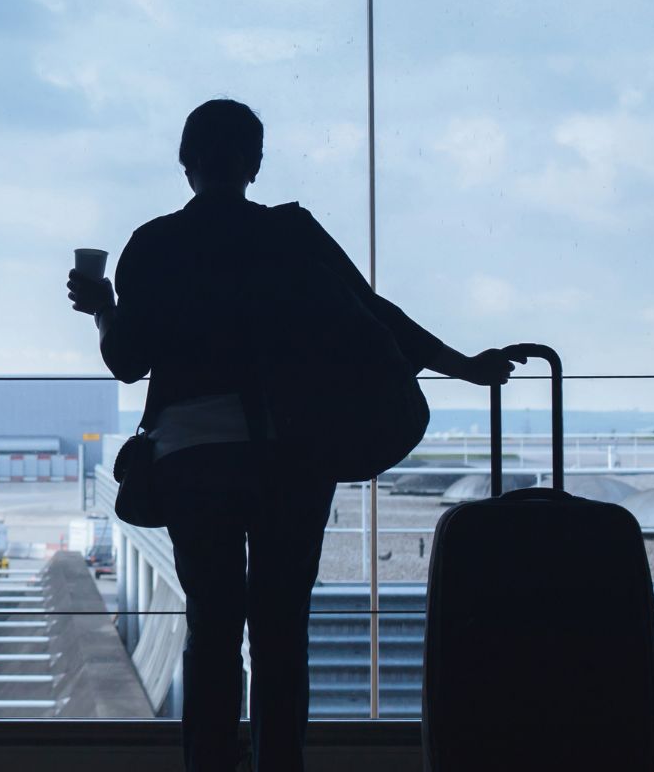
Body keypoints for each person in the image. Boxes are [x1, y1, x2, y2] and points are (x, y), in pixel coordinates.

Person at [65, 99, 512, 771]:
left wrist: (103, 308)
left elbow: (128, 361)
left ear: (185, 162)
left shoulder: (154, 243)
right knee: (280, 633)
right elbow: (377, 316)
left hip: (194, 458)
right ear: (256, 163)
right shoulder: (291, 235)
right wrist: (465, 367)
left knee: (212, 629)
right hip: (292, 453)